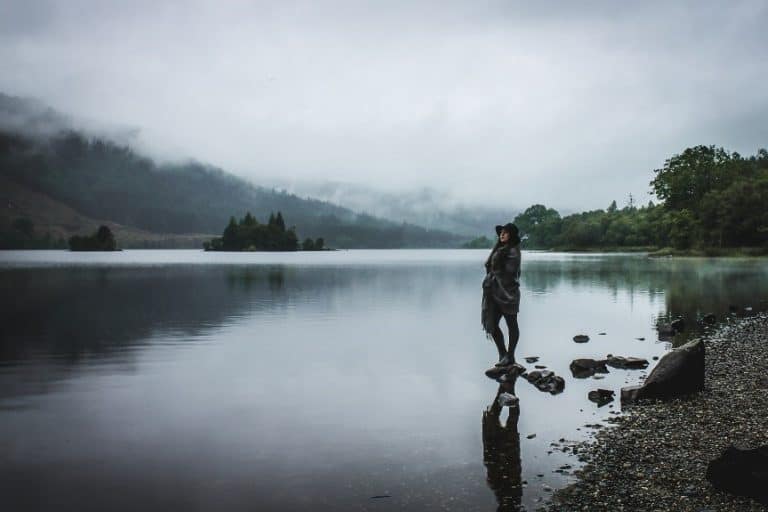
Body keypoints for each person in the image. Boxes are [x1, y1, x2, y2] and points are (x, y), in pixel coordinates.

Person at [481, 223, 521, 366]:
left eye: (505, 232)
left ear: (511, 235)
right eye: (501, 232)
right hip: (494, 293)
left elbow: (510, 272)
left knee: (512, 325)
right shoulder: (499, 249)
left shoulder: (513, 251)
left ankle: (510, 356)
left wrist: (494, 271)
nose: (501, 235)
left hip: (509, 294)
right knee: (491, 324)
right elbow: (492, 268)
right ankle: (502, 354)